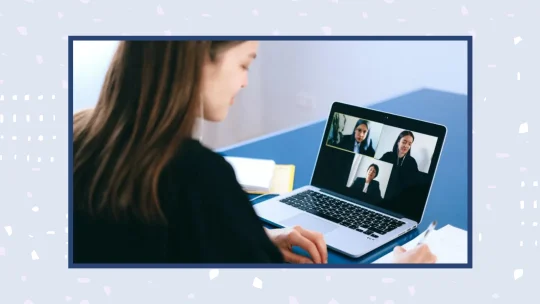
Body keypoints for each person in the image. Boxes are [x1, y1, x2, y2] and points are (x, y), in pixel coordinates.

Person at [72, 40, 436, 264]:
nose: (246, 80)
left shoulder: (78, 133)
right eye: (245, 63)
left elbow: (154, 245)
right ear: (199, 58)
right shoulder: (198, 175)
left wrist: (252, 241)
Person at [379, 130, 420, 200]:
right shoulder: (387, 156)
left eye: (409, 144)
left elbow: (414, 185)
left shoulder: (412, 162)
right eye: (404, 142)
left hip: (401, 197)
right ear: (398, 142)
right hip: (383, 193)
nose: (406, 146)